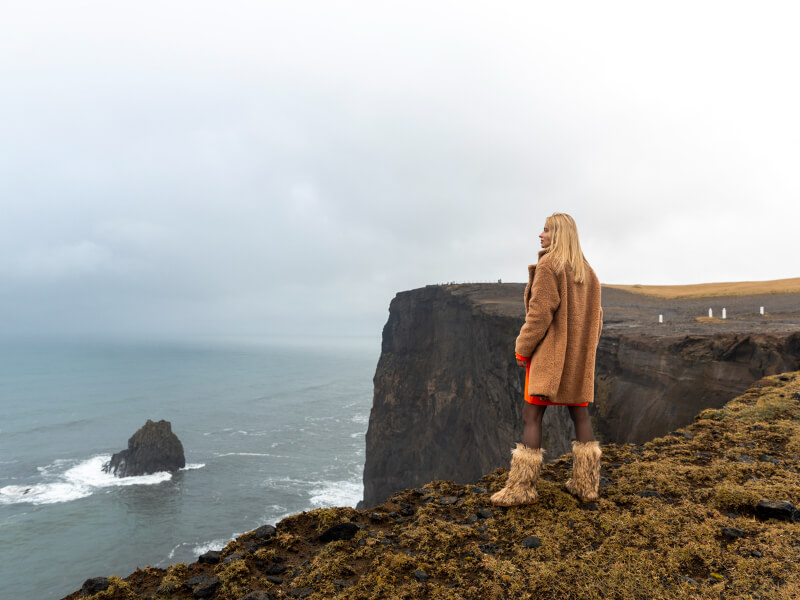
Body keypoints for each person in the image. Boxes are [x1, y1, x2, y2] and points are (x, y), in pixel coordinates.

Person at [491, 212, 603, 506]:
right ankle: (586, 486)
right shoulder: (588, 272)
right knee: (580, 415)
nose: (540, 236)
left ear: (560, 235)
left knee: (532, 416)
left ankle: (522, 489)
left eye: (546, 230)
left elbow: (539, 315)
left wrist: (522, 349)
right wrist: (584, 352)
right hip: (577, 361)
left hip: (551, 359)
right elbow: (597, 319)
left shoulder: (549, 266)